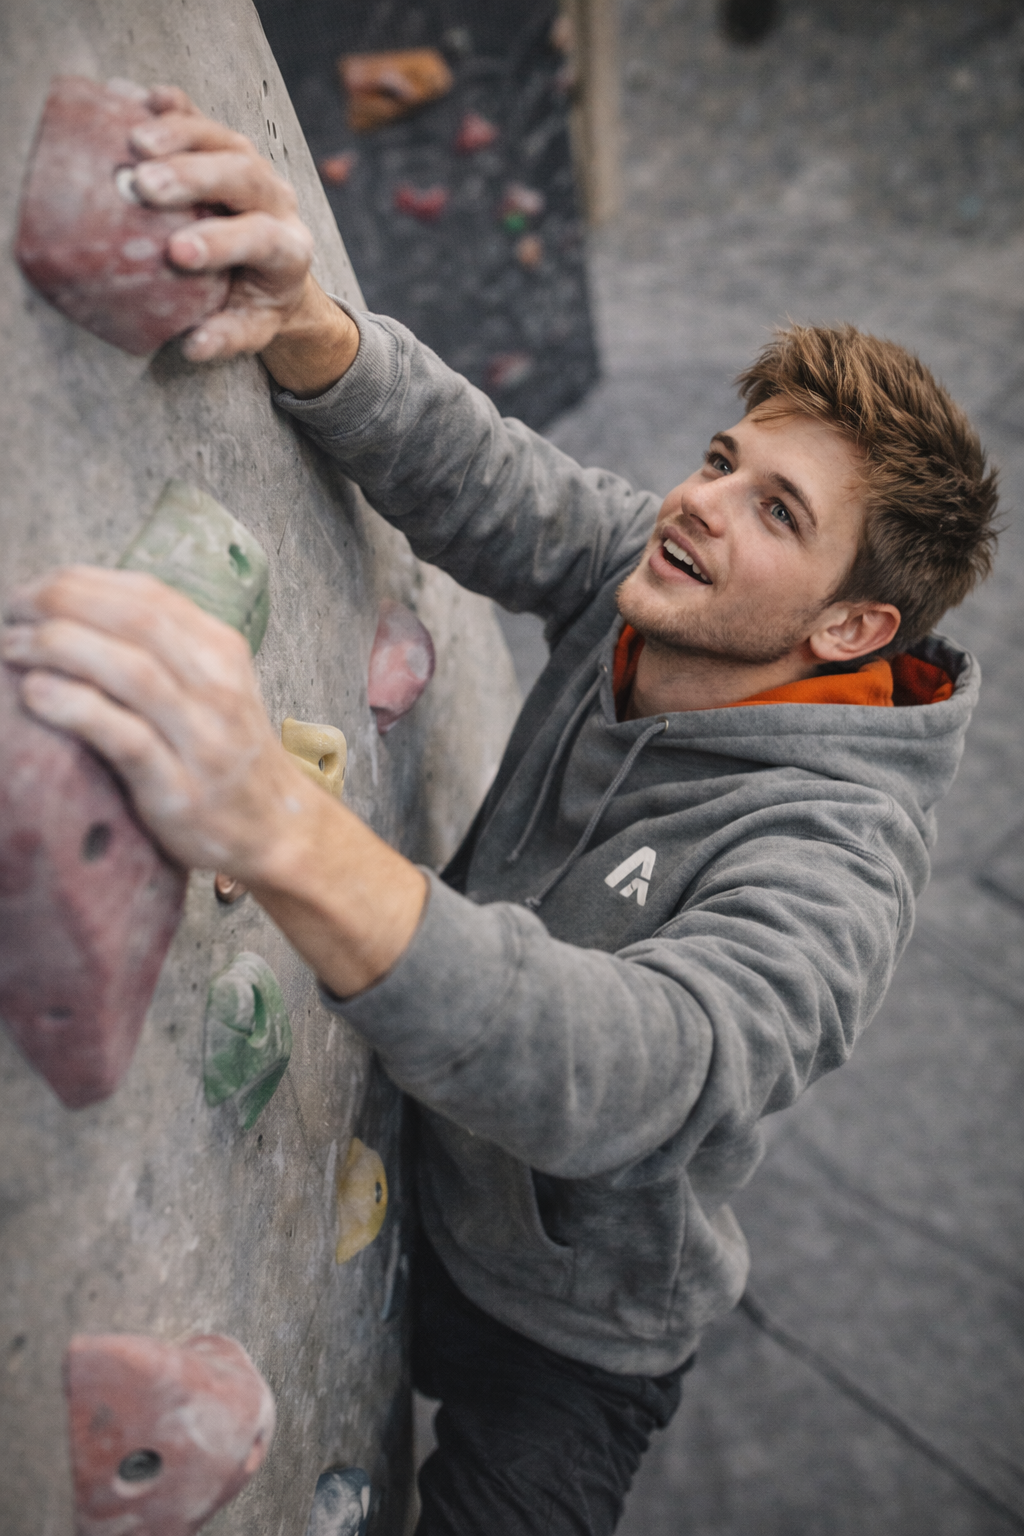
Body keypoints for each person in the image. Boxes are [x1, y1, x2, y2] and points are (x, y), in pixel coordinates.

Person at [2, 90, 999, 1535]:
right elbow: (494, 484)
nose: (706, 503)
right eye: (724, 461)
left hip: (571, 1333)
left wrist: (276, 822)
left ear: (851, 629)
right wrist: (299, 314)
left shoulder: (836, 871)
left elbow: (631, 1069)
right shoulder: (666, 586)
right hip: (427, 1151)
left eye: (777, 512)